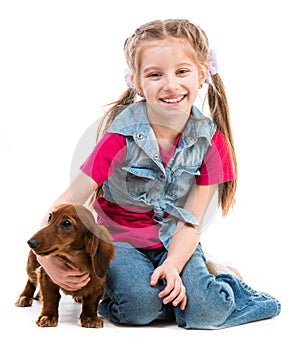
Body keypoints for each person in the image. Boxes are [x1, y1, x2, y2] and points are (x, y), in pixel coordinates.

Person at [38, 19, 280, 329]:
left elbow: (191, 222)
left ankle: (218, 283)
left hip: (175, 241)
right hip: (120, 243)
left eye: (182, 71)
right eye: (155, 75)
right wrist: (47, 260)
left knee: (206, 314)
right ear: (136, 82)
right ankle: (161, 297)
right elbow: (68, 201)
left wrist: (174, 266)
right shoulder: (119, 137)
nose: (170, 85)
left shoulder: (210, 141)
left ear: (202, 73)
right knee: (138, 309)